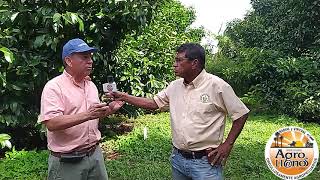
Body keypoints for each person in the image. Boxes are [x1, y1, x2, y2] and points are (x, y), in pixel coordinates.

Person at [110, 43, 249, 180]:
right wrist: (124, 97)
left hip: (205, 163)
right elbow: (153, 103)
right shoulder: (174, 86)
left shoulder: (217, 86)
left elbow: (241, 113)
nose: (174, 64)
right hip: (178, 159)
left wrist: (227, 145)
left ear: (194, 63)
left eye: (179, 60)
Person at [40, 38, 123, 180]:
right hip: (67, 162)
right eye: (84, 57)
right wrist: (88, 114)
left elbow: (93, 116)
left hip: (95, 155)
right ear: (69, 61)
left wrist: (110, 109)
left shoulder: (91, 86)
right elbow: (52, 123)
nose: (90, 61)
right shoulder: (54, 87)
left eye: (90, 57)